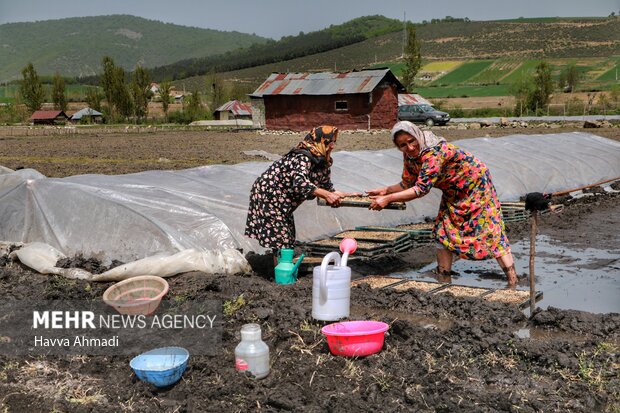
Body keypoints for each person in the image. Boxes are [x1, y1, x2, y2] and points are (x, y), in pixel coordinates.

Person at [367, 121, 518, 285]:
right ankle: (443, 277)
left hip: (476, 185)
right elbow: (408, 183)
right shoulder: (411, 155)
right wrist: (386, 190)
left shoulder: (434, 152)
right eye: (403, 145)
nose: (409, 147)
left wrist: (388, 199)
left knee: (489, 230)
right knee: (442, 230)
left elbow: (420, 189)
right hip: (452, 190)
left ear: (417, 135)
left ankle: (512, 279)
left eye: (411, 141)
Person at [245, 125, 359, 265]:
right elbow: (299, 183)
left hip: (283, 201)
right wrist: (326, 194)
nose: (332, 147)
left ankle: (282, 270)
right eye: (329, 142)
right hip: (269, 195)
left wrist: (349, 195)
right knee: (282, 237)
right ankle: (281, 275)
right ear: (319, 141)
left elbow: (328, 189)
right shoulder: (303, 156)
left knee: (288, 236)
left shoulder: (321, 162)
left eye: (334, 142)